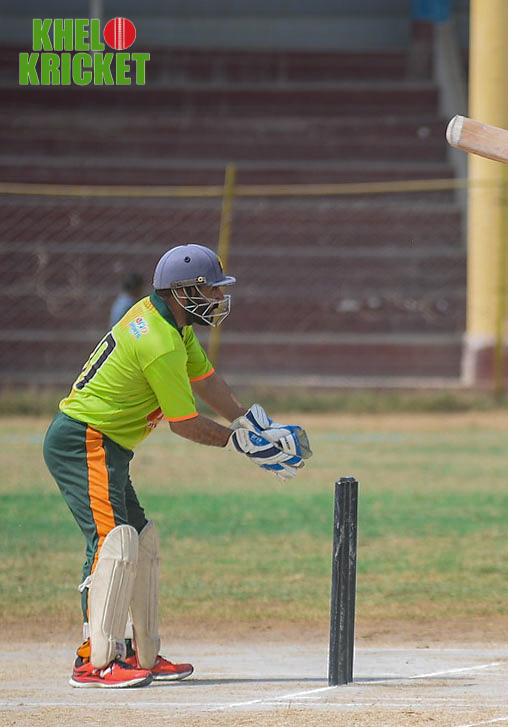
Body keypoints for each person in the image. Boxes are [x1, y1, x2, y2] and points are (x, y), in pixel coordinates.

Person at [43, 243, 312, 688]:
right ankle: (95, 660)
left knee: (142, 540)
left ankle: (143, 655)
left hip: (107, 444)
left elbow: (205, 380)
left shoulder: (173, 325)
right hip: (82, 440)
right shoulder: (159, 340)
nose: (219, 298)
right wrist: (241, 444)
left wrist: (251, 421)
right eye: (211, 289)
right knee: (114, 541)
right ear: (183, 291)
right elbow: (184, 423)